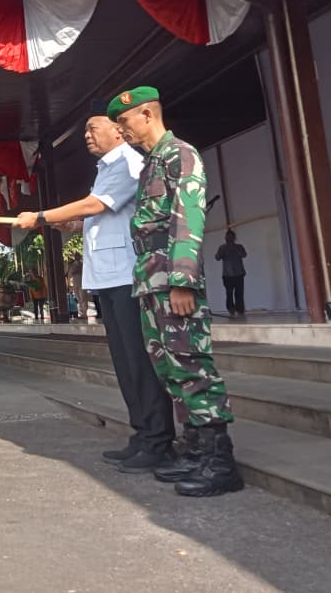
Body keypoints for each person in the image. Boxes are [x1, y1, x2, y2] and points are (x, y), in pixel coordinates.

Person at [16, 106, 175, 474]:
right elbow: (98, 217)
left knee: (139, 362)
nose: (87, 135)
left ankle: (158, 441)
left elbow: (95, 205)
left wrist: (41, 216)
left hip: (127, 276)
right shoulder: (106, 168)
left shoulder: (127, 163)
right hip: (108, 277)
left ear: (118, 131)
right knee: (124, 364)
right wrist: (68, 226)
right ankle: (143, 434)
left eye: (93, 128)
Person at [109, 86, 243, 496]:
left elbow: (188, 217)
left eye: (124, 121)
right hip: (150, 280)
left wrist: (182, 280)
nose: (121, 129)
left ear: (147, 114)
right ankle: (196, 449)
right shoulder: (151, 164)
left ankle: (219, 462)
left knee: (190, 364)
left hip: (172, 280)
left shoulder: (179, 154)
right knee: (169, 368)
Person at [215, 230, 247, 317]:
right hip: (227, 275)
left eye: (231, 237)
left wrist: (235, 248)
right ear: (225, 238)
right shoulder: (222, 247)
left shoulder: (239, 247)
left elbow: (244, 255)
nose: (229, 239)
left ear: (234, 238)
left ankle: (240, 310)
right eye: (228, 237)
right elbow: (217, 258)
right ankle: (231, 310)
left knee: (239, 293)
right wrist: (223, 250)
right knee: (229, 293)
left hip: (239, 273)